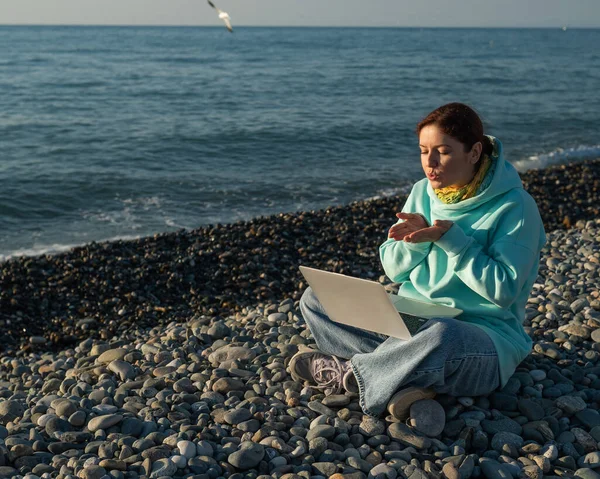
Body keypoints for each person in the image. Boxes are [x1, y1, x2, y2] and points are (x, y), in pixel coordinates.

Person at [289, 102, 547, 421]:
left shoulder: (516, 207)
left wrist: (451, 240)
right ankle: (406, 375)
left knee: (441, 335)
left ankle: (356, 375)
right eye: (424, 151)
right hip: (416, 317)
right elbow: (394, 270)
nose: (431, 162)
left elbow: (503, 291)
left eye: (443, 151)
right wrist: (415, 244)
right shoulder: (422, 192)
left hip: (482, 337)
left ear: (475, 152)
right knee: (318, 299)